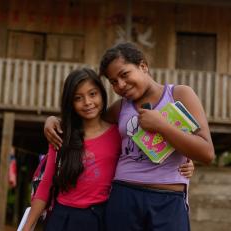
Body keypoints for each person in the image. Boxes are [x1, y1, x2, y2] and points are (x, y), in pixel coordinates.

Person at [44, 42, 214, 231]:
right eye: (113, 81)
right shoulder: (120, 108)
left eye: (124, 74)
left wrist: (162, 126)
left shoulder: (179, 94)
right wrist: (53, 120)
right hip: (124, 198)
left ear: (143, 66)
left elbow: (207, 153)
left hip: (169, 199)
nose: (121, 85)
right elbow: (88, 122)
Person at [23, 67, 195, 231]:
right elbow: (45, 185)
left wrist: (186, 161)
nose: (87, 102)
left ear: (102, 95)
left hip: (103, 218)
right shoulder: (62, 135)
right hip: (64, 219)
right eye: (78, 98)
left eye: (93, 94)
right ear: (70, 102)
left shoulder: (118, 133)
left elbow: (145, 153)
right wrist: (27, 226)